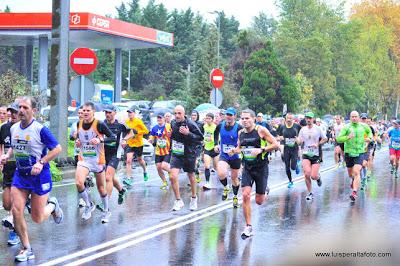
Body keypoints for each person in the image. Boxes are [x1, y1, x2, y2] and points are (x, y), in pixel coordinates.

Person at [0, 96, 63, 262]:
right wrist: (7, 155)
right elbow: (15, 145)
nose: (21, 110)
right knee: (16, 210)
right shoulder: (14, 128)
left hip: (39, 176)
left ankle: (53, 205)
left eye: (25, 108)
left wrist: (41, 162)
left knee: (37, 217)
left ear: (34, 110)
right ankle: (27, 248)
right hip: (21, 175)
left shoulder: (40, 129)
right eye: (20, 107)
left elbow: (57, 149)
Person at [234, 109, 279, 238]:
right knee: (246, 195)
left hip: (261, 168)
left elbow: (275, 144)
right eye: (242, 118)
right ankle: (248, 226)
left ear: (253, 119)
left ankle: (264, 189)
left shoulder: (261, 130)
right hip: (247, 168)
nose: (244, 121)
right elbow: (240, 148)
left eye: (247, 118)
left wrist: (261, 149)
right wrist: (234, 151)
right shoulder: (240, 133)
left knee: (259, 201)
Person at [74, 102, 115, 222]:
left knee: (101, 188)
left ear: (93, 112)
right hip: (84, 159)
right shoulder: (79, 124)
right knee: (79, 182)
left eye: (88, 111)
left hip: (98, 160)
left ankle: (107, 211)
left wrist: (100, 139)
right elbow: (79, 138)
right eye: (84, 110)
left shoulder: (100, 124)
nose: (85, 113)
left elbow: (112, 137)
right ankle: (89, 205)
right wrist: (78, 142)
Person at [169, 105, 203, 211]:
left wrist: (188, 134)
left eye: (179, 113)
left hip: (189, 154)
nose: (177, 115)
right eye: (175, 113)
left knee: (191, 176)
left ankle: (193, 198)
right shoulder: (173, 123)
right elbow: (175, 136)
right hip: (176, 153)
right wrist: (171, 136)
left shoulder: (190, 124)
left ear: (184, 114)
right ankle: (178, 200)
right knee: (172, 176)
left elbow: (200, 138)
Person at [336, 111, 372, 202]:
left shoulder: (364, 126)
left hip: (360, 152)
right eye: (352, 117)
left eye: (356, 116)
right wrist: (347, 137)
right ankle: (353, 180)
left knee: (356, 172)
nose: (354, 118)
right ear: (350, 118)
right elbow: (339, 138)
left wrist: (369, 138)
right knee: (350, 174)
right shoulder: (346, 127)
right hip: (349, 153)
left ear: (359, 117)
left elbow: (369, 133)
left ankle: (354, 192)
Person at [214, 107, 242, 208]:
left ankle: (235, 197)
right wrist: (215, 144)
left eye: (231, 115)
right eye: (227, 114)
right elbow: (215, 133)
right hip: (224, 155)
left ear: (235, 116)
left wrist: (236, 148)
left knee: (234, 178)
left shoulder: (239, 127)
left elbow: (243, 140)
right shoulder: (220, 125)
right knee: (221, 173)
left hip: (235, 156)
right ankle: (226, 187)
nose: (228, 117)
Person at [0, 103, 20, 245]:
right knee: (7, 204)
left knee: (16, 205)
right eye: (10, 112)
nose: (12, 115)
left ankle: (15, 232)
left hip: (21, 170)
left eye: (15, 112)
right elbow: (1, 146)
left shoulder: (26, 129)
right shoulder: (4, 128)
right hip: (8, 169)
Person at [297, 112, 327, 201]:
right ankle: (310, 193)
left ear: (313, 119)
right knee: (307, 174)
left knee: (313, 176)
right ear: (305, 119)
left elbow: (325, 138)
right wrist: (298, 141)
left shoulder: (318, 129)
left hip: (316, 154)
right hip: (306, 154)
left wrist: (317, 144)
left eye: (310, 118)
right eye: (307, 118)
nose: (308, 120)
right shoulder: (303, 130)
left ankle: (318, 177)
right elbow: (300, 141)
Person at [102, 105, 128, 206]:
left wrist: (125, 139)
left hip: (115, 155)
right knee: (111, 178)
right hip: (103, 155)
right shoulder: (102, 124)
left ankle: (106, 204)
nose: (107, 114)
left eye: (110, 112)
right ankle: (121, 190)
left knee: (108, 178)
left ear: (115, 112)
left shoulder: (120, 125)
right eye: (106, 112)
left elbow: (132, 132)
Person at [122, 106, 149, 186]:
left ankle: (145, 171)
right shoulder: (126, 122)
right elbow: (125, 132)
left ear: (134, 113)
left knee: (140, 160)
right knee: (128, 161)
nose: (129, 114)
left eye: (131, 112)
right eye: (128, 113)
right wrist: (124, 140)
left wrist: (137, 132)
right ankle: (128, 178)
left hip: (138, 144)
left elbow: (146, 131)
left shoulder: (138, 121)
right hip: (130, 144)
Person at [276, 113, 302, 188]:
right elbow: (277, 136)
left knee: (292, 167)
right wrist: (279, 138)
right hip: (286, 148)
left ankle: (296, 166)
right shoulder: (282, 127)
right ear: (285, 119)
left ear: (293, 119)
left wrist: (299, 140)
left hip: (294, 149)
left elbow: (302, 135)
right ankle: (290, 181)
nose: (289, 120)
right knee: (287, 166)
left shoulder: (297, 126)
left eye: (291, 118)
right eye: (288, 118)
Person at [149, 112, 172, 190]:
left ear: (164, 119)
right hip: (158, 151)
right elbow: (151, 136)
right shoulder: (155, 128)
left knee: (164, 166)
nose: (159, 119)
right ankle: (165, 182)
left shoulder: (169, 126)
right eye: (158, 118)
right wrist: (150, 140)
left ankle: (172, 172)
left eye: (160, 118)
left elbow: (174, 134)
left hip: (167, 151)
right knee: (158, 167)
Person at [202, 113, 219, 190]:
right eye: (206, 118)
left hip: (214, 149)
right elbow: (202, 135)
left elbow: (219, 139)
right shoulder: (204, 126)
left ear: (212, 119)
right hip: (207, 148)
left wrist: (213, 140)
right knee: (207, 166)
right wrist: (203, 141)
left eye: (209, 118)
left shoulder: (215, 127)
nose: (207, 120)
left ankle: (222, 180)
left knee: (216, 167)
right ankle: (208, 182)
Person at [191, 110, 204, 183]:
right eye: (192, 115)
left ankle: (196, 176)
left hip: (198, 146)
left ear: (197, 116)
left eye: (195, 115)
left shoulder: (201, 124)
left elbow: (204, 134)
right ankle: (195, 177)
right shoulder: (188, 123)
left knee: (195, 163)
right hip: (190, 146)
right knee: (191, 164)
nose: (193, 117)